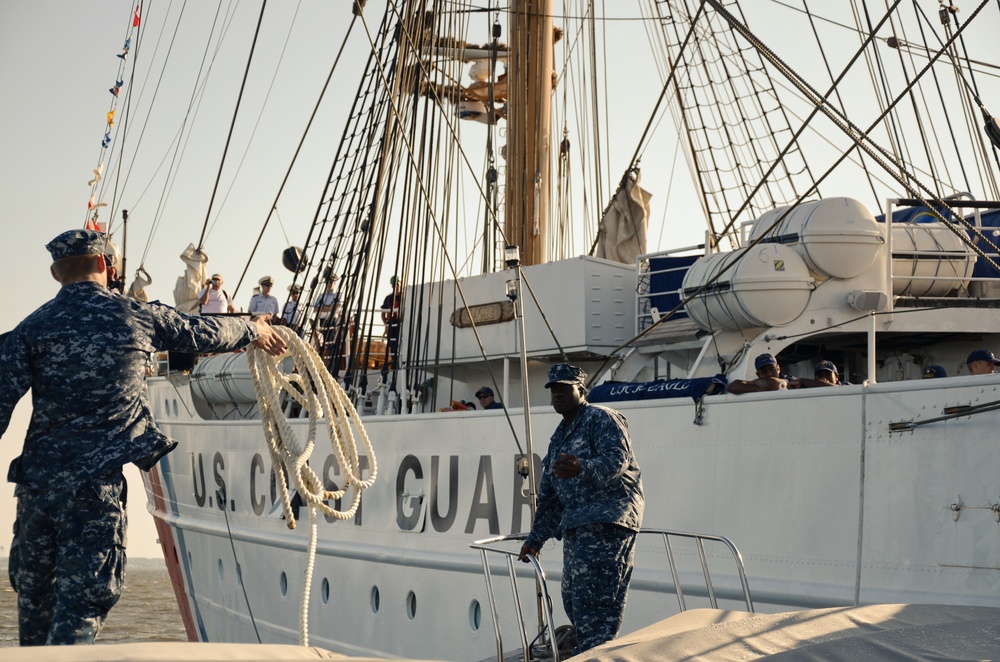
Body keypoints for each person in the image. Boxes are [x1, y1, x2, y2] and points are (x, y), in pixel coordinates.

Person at [0, 229, 286, 646]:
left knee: (35, 604)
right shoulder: (138, 316)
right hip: (92, 492)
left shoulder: (30, 330)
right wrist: (253, 329)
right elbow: (202, 332)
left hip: (37, 491)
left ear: (55, 274)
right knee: (82, 607)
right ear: (104, 265)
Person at [518, 363, 644, 655]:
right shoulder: (560, 435)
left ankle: (593, 653)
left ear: (581, 390)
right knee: (573, 598)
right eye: (554, 390)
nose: (558, 394)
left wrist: (582, 467)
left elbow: (617, 461)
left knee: (595, 603)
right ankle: (588, 650)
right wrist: (535, 539)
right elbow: (550, 496)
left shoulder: (602, 419)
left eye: (564, 388)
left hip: (607, 521)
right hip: (577, 525)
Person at [380, 275, 403, 373]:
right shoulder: (388, 299)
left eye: (397, 284)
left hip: (400, 324)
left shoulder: (404, 297)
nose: (396, 287)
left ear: (400, 284)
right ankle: (394, 365)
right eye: (394, 285)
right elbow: (383, 313)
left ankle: (400, 364)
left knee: (400, 344)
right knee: (392, 346)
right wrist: (386, 325)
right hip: (391, 325)